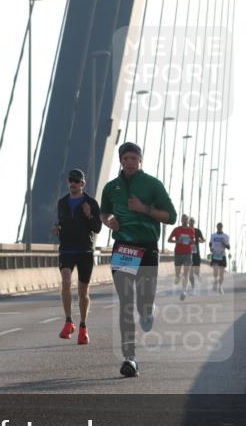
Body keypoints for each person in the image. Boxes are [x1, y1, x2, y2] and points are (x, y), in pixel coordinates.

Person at [101, 142, 177, 378]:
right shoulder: (111, 187)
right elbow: (104, 212)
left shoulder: (153, 184)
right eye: (126, 158)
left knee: (143, 304)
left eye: (134, 158)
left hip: (147, 247)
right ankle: (129, 358)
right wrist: (109, 221)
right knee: (126, 302)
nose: (130, 162)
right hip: (124, 248)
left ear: (140, 160)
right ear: (121, 161)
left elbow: (171, 216)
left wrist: (145, 209)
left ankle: (147, 311)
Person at [51, 168, 102, 345]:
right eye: (71, 180)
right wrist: (57, 228)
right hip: (66, 250)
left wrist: (89, 215)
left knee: (83, 292)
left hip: (85, 251)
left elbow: (97, 228)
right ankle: (68, 321)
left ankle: (83, 326)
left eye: (76, 181)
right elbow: (60, 221)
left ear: (82, 184)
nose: (73, 183)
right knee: (65, 282)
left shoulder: (91, 203)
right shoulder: (62, 202)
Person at [168, 215, 196, 300]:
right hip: (178, 253)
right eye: (183, 219)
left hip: (188, 253)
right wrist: (177, 241)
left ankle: (184, 291)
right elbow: (169, 240)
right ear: (181, 220)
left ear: (188, 221)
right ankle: (178, 277)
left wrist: (194, 251)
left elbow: (192, 241)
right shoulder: (176, 229)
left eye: (186, 220)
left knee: (186, 273)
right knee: (177, 275)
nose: (184, 221)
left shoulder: (191, 230)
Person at [209, 222, 230, 294]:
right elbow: (210, 243)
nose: (219, 228)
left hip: (222, 255)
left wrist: (224, 243)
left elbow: (228, 247)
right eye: (218, 226)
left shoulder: (225, 236)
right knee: (215, 272)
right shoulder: (213, 235)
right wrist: (210, 248)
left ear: (222, 227)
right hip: (215, 255)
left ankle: (220, 287)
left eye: (220, 227)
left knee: (221, 274)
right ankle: (215, 281)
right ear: (216, 227)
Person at [189, 218, 206, 294]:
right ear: (188, 222)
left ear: (194, 223)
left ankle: (199, 275)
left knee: (196, 272)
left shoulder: (197, 231)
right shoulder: (186, 230)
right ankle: (193, 288)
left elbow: (203, 240)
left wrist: (200, 240)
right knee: (190, 272)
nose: (191, 223)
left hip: (196, 252)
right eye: (190, 222)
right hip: (188, 253)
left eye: (192, 222)